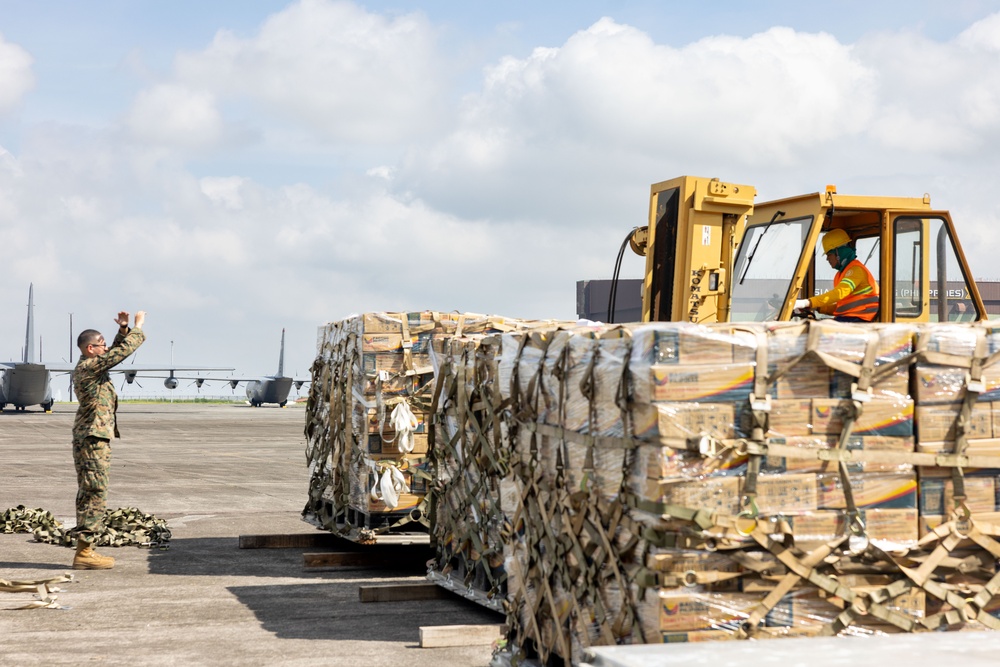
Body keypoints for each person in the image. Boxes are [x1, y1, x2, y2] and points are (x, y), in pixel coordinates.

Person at [70, 310, 146, 570]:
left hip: (92, 437)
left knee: (91, 492)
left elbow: (114, 350)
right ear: (91, 349)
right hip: (92, 439)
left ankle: (86, 549)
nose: (106, 348)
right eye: (101, 344)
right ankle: (84, 553)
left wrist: (122, 330)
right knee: (94, 494)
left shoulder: (91, 364)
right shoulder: (91, 367)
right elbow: (121, 353)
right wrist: (136, 328)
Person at [794, 229, 880, 322]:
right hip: (849, 319)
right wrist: (817, 308)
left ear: (839, 253)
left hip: (862, 320)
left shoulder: (855, 270)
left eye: (829, 255)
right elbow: (841, 308)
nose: (827, 259)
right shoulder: (841, 274)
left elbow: (838, 293)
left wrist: (808, 302)